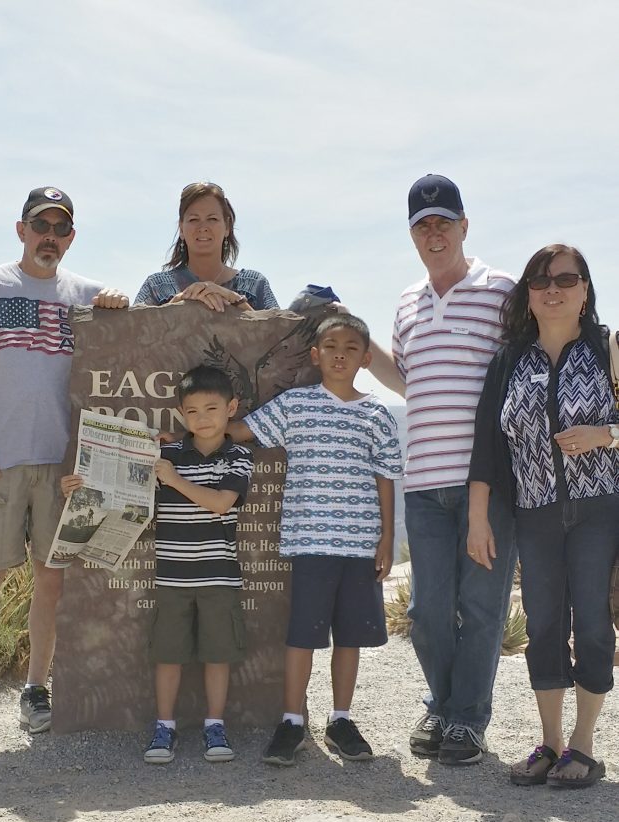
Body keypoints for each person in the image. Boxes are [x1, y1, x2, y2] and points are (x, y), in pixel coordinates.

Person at [0, 186, 129, 739]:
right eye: (40, 225)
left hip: (64, 467)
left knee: (53, 582)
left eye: (60, 228)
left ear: (71, 237)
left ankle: (36, 688)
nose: (50, 236)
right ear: (21, 229)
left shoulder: (87, 295)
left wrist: (116, 305)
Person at [368, 174, 518, 765]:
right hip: (424, 483)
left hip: (489, 484)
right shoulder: (408, 302)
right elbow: (409, 381)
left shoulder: (502, 291)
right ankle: (445, 703)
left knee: (481, 607)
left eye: (444, 223)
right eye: (422, 226)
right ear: (412, 235)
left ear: (464, 226)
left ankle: (466, 720)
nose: (434, 234)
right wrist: (359, 344)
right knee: (427, 612)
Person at [468, 245, 618, 789]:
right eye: (539, 281)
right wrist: (478, 518)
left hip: (600, 511)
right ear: (528, 295)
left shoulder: (608, 348)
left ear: (585, 290)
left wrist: (605, 434)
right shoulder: (510, 360)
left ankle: (584, 744)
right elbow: (487, 447)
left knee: (594, 624)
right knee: (543, 625)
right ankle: (550, 742)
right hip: (534, 514)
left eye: (565, 279)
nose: (552, 289)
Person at [226, 312, 401, 765]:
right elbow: (242, 432)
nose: (340, 355)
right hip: (309, 541)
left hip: (360, 544)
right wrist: (198, 425)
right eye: (332, 347)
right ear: (315, 355)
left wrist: (385, 539)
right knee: (302, 635)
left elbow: (385, 477)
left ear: (365, 359)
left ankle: (341, 720)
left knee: (350, 636)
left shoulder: (377, 414)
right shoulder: (296, 405)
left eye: (351, 348)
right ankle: (291, 722)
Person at [66, 365, 254, 763]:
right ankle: (164, 726)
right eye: (192, 411)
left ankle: (215, 725)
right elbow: (123, 495)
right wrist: (79, 487)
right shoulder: (165, 455)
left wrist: (174, 480)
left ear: (231, 408)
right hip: (171, 576)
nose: (202, 419)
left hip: (218, 576)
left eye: (211, 409)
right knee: (168, 654)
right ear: (182, 414)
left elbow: (222, 504)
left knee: (218, 654)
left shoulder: (238, 456)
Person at [134, 182, 279, 312]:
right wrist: (178, 303)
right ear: (181, 229)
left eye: (212, 219)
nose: (203, 227)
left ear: (227, 227)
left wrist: (233, 299)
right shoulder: (157, 287)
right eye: (194, 219)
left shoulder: (254, 285)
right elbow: (133, 331)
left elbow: (282, 331)